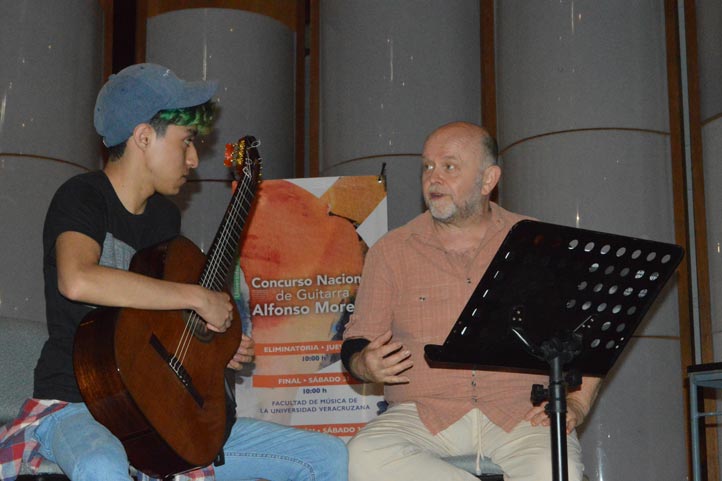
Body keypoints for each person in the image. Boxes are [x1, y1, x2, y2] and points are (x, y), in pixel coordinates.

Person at [0, 63, 347, 481]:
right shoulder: (83, 196)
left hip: (163, 417)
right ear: (144, 137)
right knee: (101, 464)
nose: (194, 159)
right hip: (77, 404)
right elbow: (77, 279)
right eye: (186, 141)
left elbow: (161, 330)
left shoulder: (165, 219)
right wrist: (197, 297)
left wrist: (214, 349)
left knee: (326, 456)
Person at [340, 121, 601, 481]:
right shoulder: (391, 250)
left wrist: (576, 404)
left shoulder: (538, 243)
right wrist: (364, 363)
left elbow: (589, 339)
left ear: (488, 179)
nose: (433, 178)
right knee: (360, 458)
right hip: (422, 413)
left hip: (521, 413)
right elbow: (357, 342)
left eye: (449, 166)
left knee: (559, 471)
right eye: (427, 166)